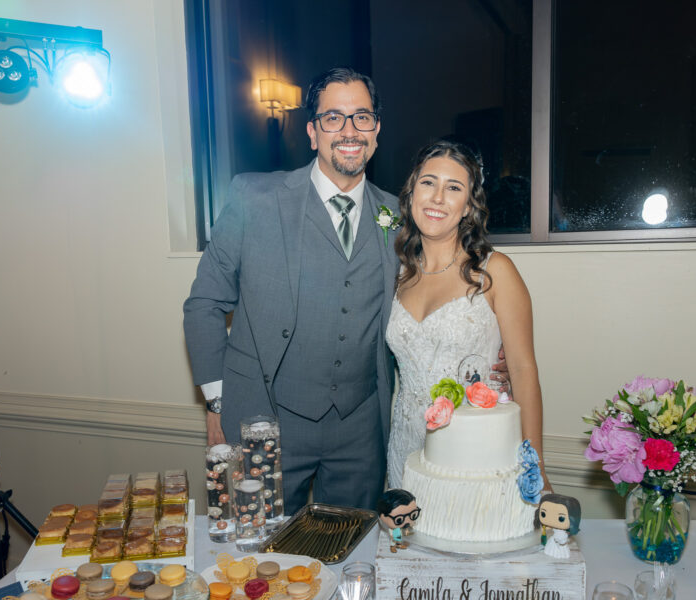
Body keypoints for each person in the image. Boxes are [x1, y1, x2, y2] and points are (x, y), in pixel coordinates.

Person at [182, 67, 397, 514]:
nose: (349, 130)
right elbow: (204, 303)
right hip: (265, 419)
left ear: (376, 130)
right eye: (333, 118)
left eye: (362, 117)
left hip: (360, 429)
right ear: (312, 131)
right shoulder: (254, 197)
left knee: (349, 557)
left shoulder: (398, 215)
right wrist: (218, 402)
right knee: (259, 565)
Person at [384, 139, 549, 491]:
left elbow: (522, 370)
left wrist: (536, 465)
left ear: (468, 206)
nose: (437, 198)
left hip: (475, 447)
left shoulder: (496, 271)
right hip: (405, 445)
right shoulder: (395, 273)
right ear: (412, 193)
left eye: (453, 187)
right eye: (428, 183)